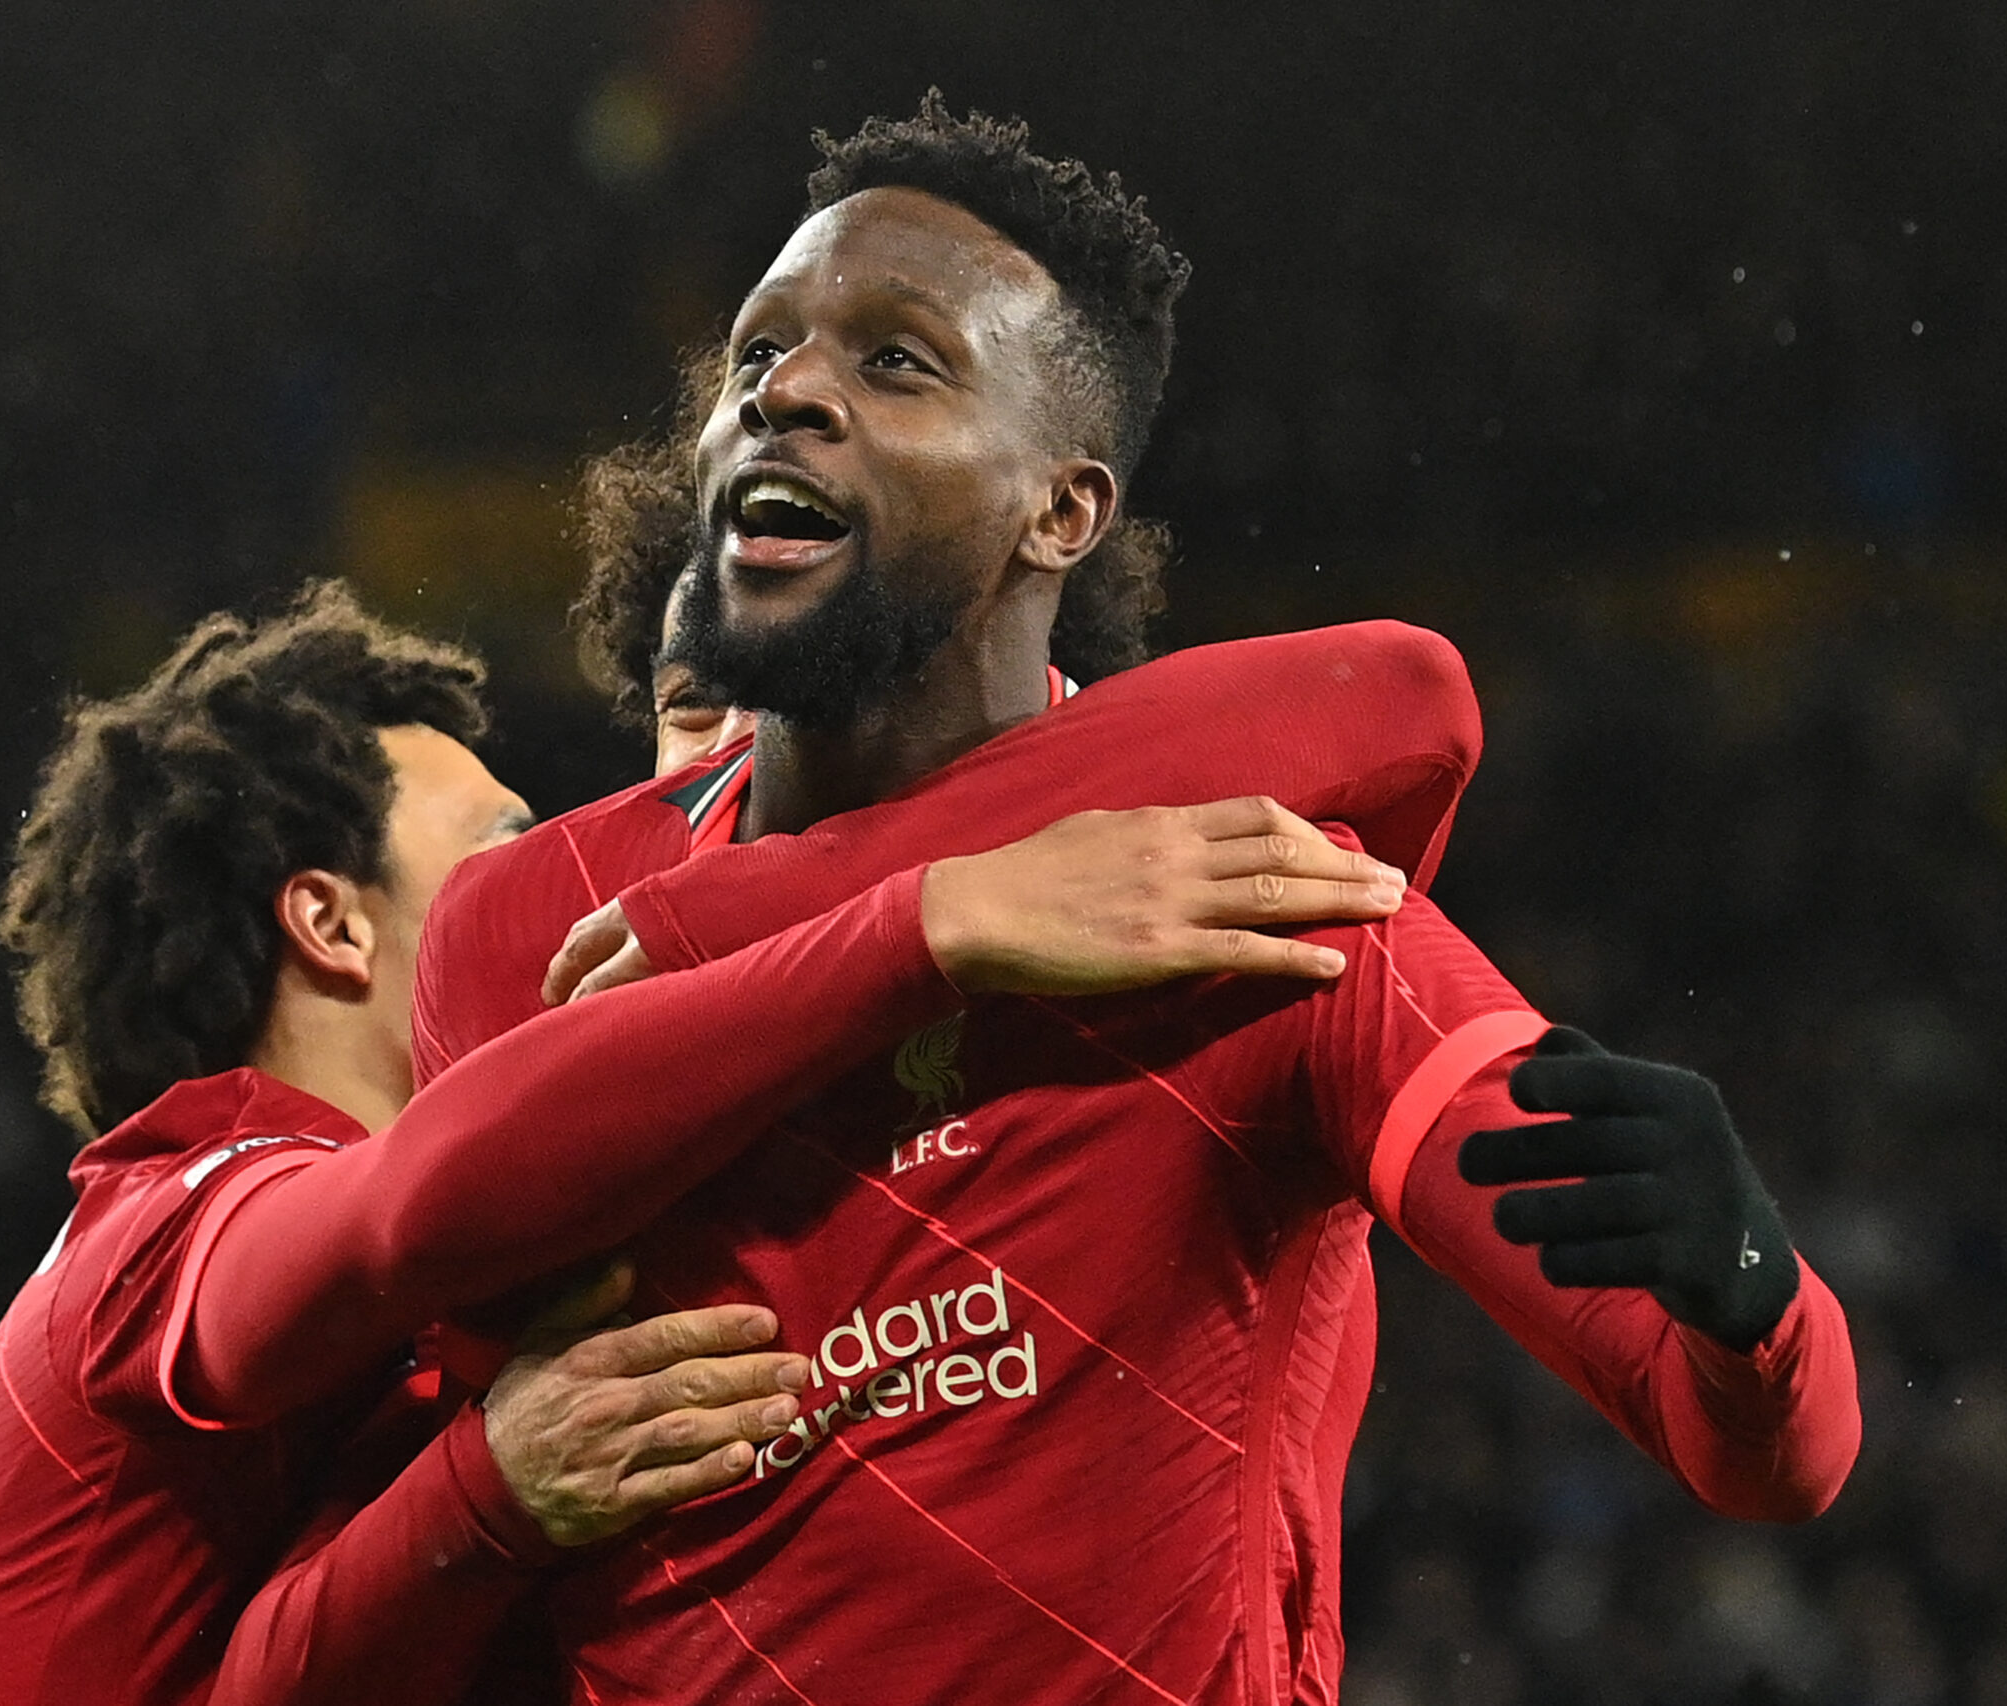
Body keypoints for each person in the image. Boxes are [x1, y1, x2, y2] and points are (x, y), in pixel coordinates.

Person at [405, 95, 1863, 1704]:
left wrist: (1751, 1297)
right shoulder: (519, 926)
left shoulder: (1262, 903)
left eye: (896, 361)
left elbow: (1765, 1451)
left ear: (1062, 510)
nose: (785, 389)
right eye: (759, 350)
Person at [0, 580, 1416, 1704]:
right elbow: (402, 1213)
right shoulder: (173, 1219)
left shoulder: (474, 1326)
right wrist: (924, 916)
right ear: (329, 923)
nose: (563, 872)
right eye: (502, 846)